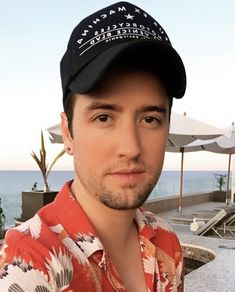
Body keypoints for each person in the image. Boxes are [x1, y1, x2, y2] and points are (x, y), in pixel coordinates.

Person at [0, 1, 186, 291]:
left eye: (149, 119)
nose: (131, 147)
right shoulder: (30, 265)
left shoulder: (166, 240)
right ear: (68, 133)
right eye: (103, 117)